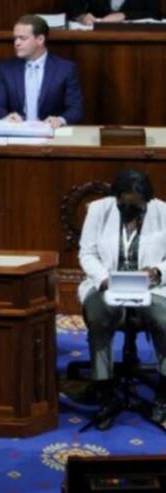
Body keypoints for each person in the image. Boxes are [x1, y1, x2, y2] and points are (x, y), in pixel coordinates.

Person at [77, 169, 166, 428]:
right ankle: (104, 390)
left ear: (147, 202)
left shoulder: (163, 212)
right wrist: (104, 278)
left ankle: (164, 393)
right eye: (124, 205)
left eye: (136, 207)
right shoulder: (98, 210)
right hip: (107, 285)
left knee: (164, 321)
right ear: (115, 199)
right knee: (99, 317)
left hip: (152, 288)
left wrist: (157, 271)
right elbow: (87, 253)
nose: (130, 211)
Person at [0, 15, 83, 128]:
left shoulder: (65, 69)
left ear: (40, 40)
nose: (16, 43)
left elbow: (76, 109)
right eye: (15, 38)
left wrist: (60, 120)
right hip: (17, 132)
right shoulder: (6, 68)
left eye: (22, 38)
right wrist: (6, 117)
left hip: (52, 134)